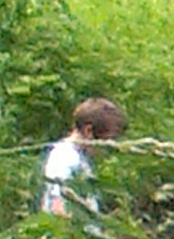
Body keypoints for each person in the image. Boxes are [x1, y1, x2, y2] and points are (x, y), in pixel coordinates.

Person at [35, 96, 126, 224]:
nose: (109, 147)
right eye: (107, 140)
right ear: (88, 131)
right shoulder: (64, 156)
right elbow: (58, 201)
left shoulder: (81, 157)